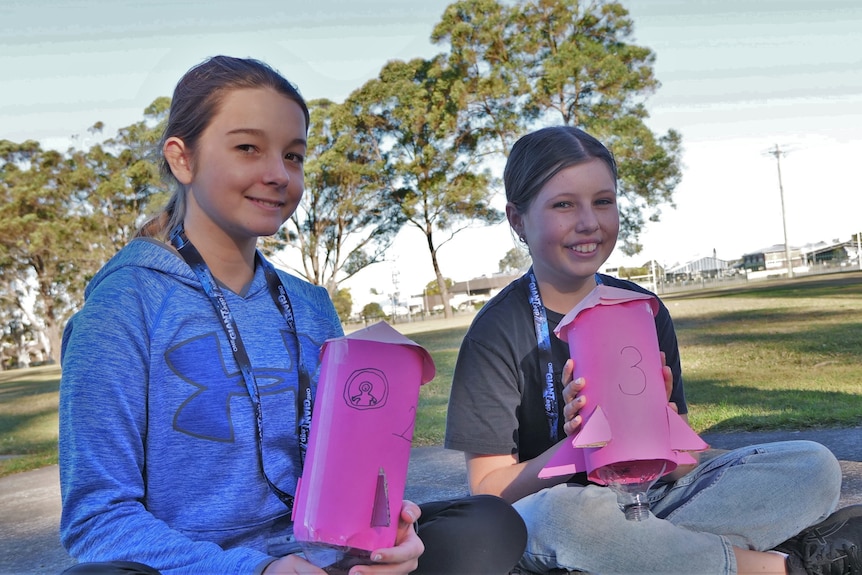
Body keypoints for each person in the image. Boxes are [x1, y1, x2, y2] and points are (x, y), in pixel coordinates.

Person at [59, 55, 526, 575]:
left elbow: (347, 470)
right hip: (197, 567)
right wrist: (253, 571)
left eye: (294, 155)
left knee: (487, 523)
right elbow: (97, 519)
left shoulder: (309, 305)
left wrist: (383, 533)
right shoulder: (123, 308)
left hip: (315, 559)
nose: (278, 174)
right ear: (182, 159)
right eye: (247, 148)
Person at [444, 125, 862, 575]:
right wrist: (575, 449)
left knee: (813, 466)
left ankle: (640, 560)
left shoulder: (641, 309)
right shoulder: (496, 332)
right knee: (568, 520)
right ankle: (782, 567)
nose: (589, 222)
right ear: (517, 219)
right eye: (564, 204)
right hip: (555, 517)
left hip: (653, 502)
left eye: (603, 201)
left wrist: (662, 426)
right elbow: (488, 493)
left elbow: (681, 470)